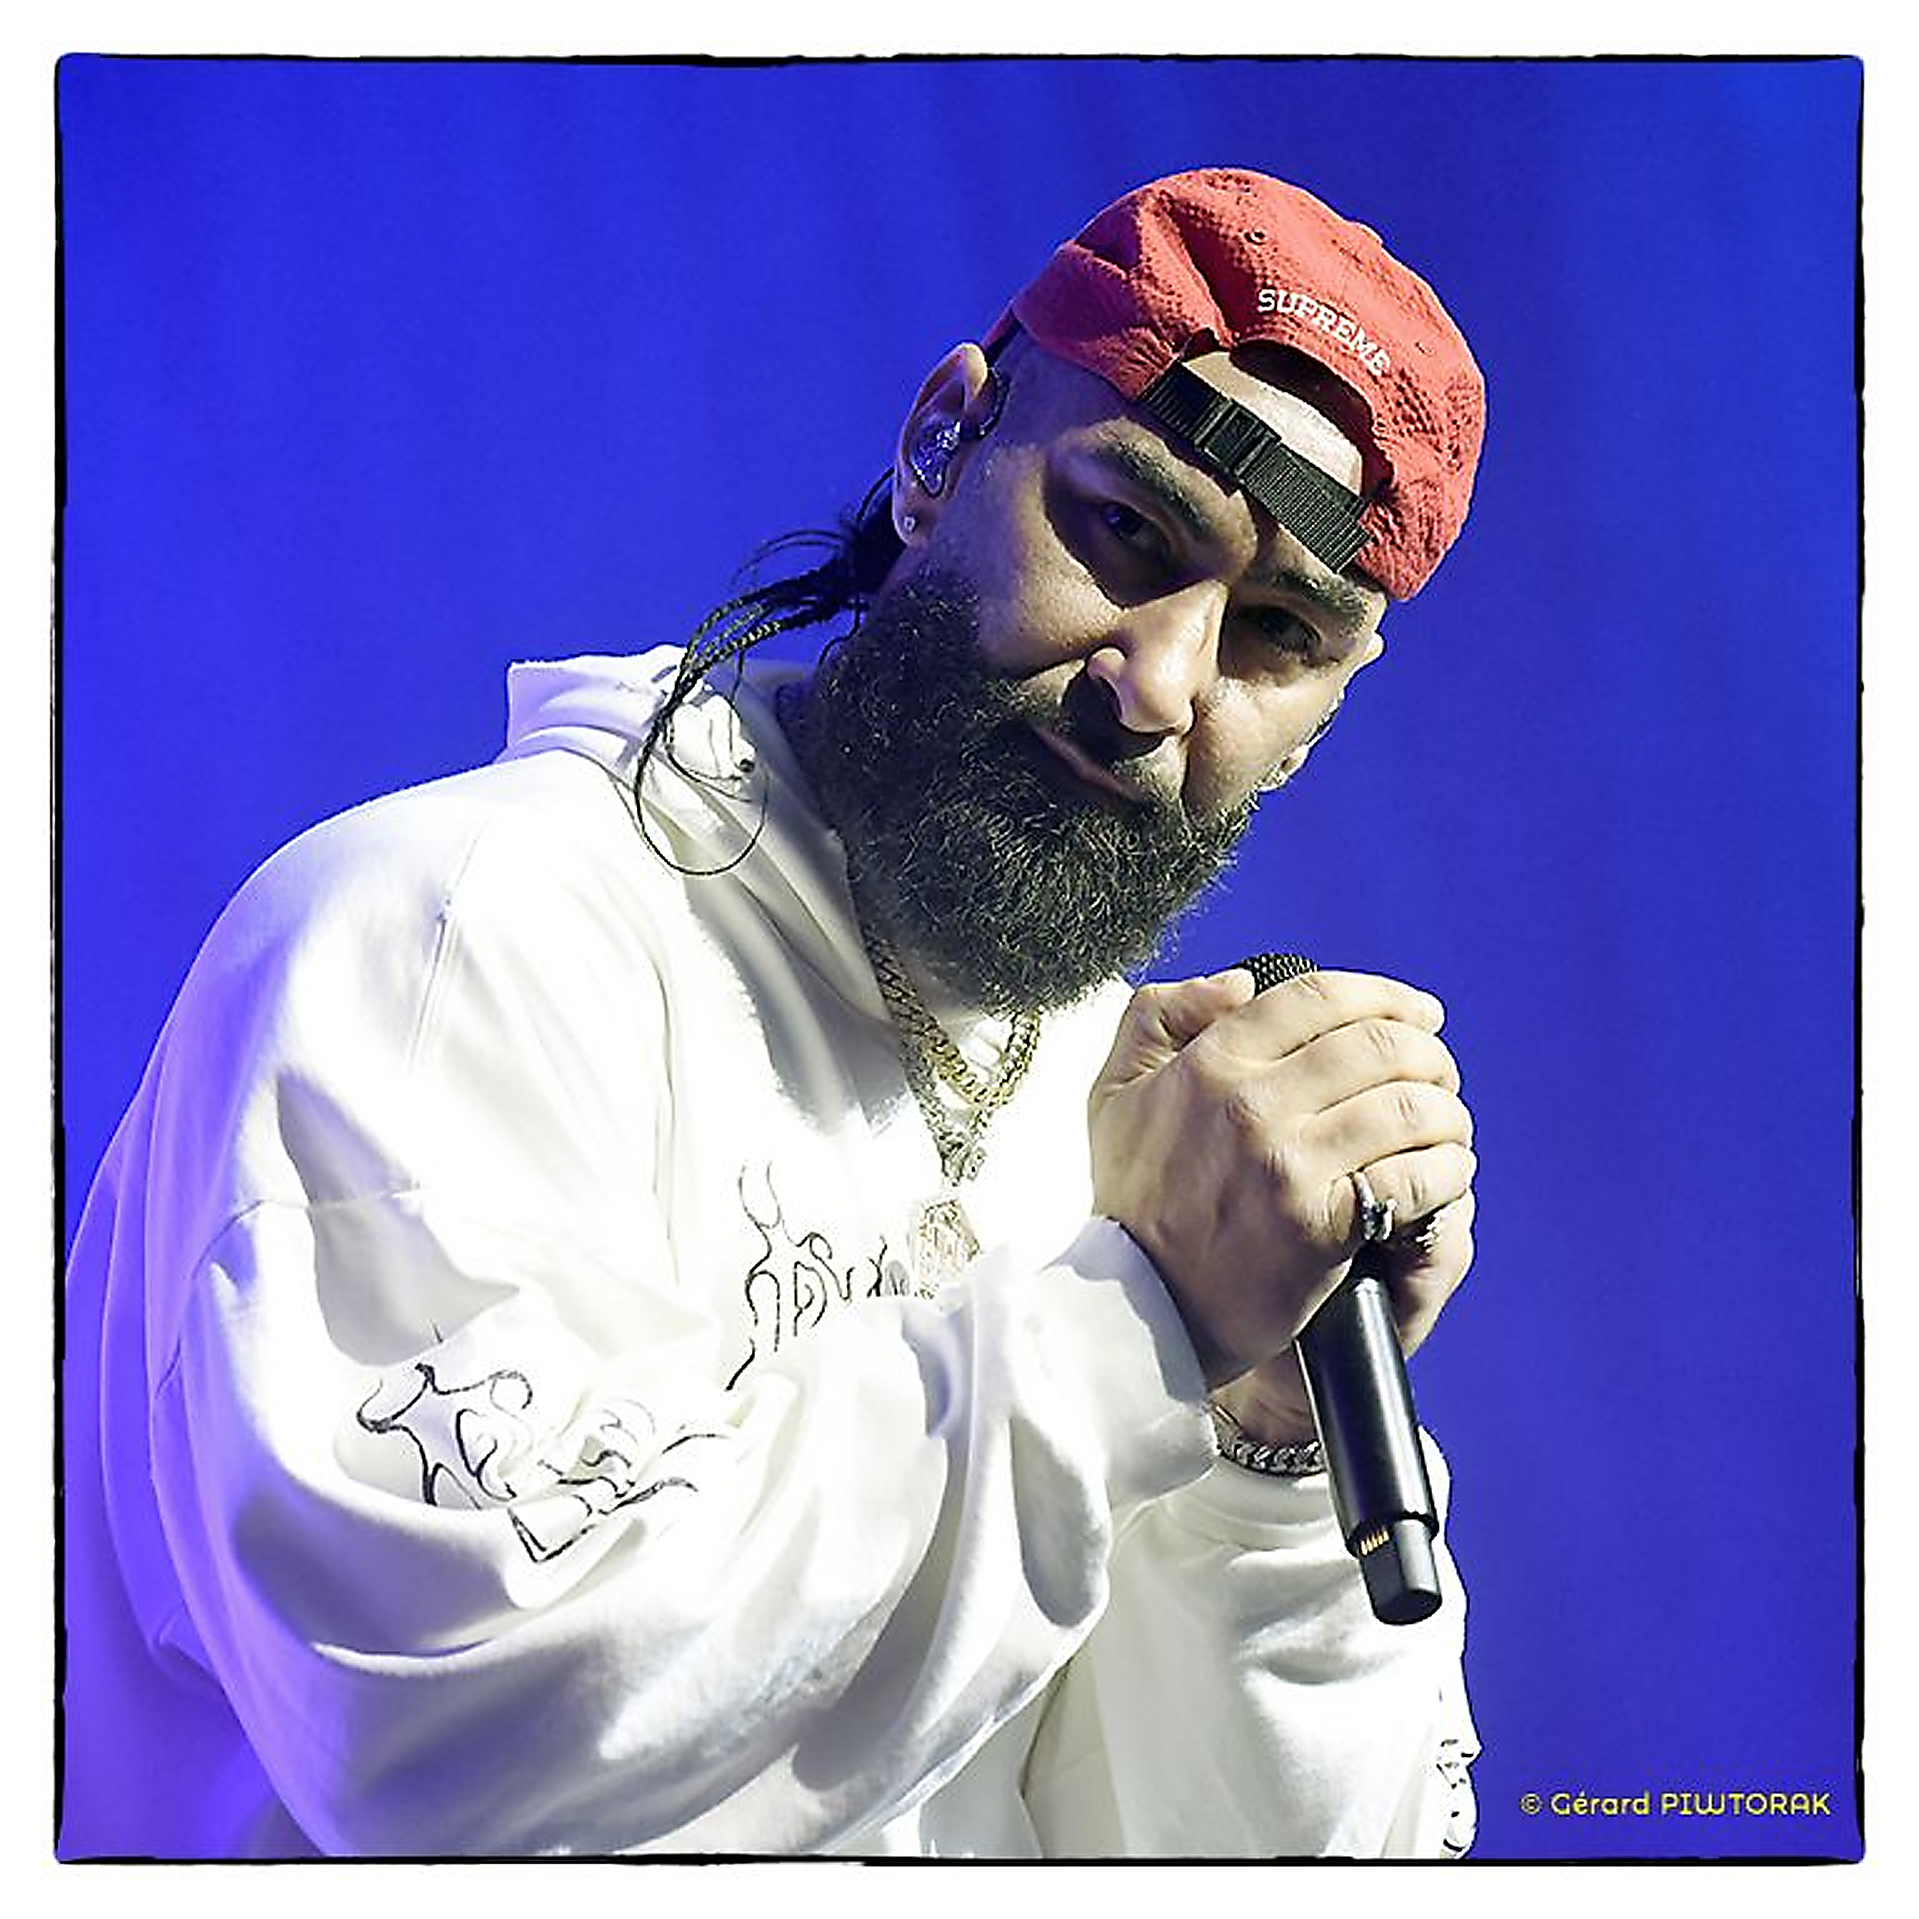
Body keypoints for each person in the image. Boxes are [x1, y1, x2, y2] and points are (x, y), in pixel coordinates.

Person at [59, 166, 1487, 1859]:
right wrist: (1133, 1324)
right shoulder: (450, 936)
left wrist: (1263, 1446)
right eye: (1124, 529)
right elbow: (443, 1740)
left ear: (1324, 716)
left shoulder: (1125, 1130)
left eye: (1275, 636)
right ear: (943, 443)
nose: (1158, 686)